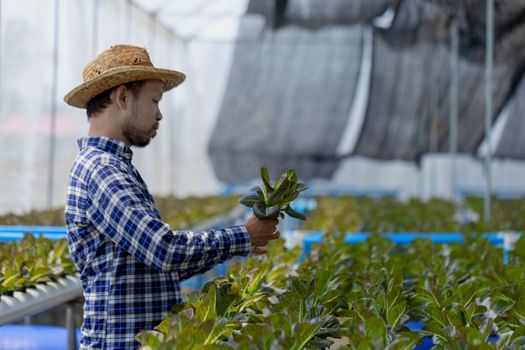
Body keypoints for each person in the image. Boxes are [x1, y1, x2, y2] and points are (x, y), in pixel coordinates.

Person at [63, 44, 279, 350]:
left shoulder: (115, 167)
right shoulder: (102, 170)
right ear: (122, 97)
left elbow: (155, 267)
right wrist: (242, 236)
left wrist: (238, 244)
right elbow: (163, 251)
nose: (159, 114)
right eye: (154, 101)